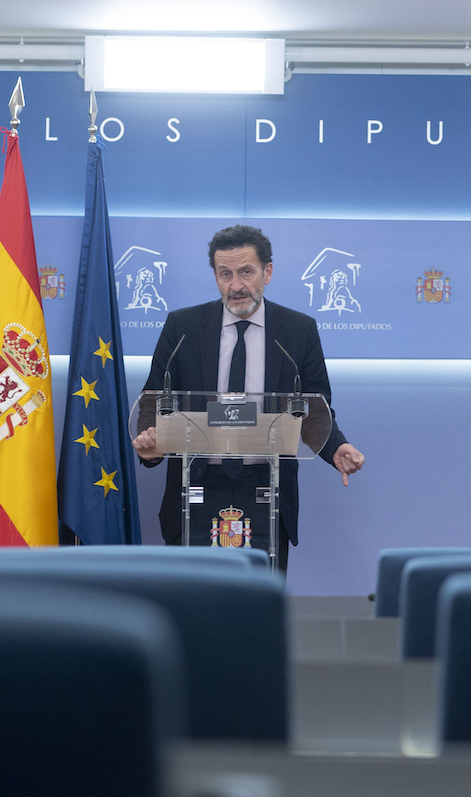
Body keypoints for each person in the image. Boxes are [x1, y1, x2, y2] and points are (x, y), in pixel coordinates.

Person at [132, 225, 365, 571]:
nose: (236, 286)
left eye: (246, 272)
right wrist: (151, 444)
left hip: (266, 492)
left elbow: (314, 409)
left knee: (258, 613)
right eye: (225, 274)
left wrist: (336, 448)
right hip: (195, 490)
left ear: (267, 272)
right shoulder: (182, 327)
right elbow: (154, 401)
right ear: (215, 276)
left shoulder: (298, 332)